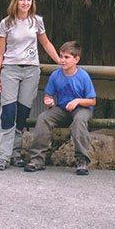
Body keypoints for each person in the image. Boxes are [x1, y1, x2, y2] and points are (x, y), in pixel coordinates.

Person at [0, 0, 60, 171]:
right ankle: (2, 156)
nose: (25, 3)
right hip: (11, 70)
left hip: (31, 70)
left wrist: (59, 61)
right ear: (16, 1)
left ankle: (15, 153)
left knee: (22, 113)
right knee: (7, 112)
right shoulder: (6, 23)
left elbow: (45, 43)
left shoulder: (36, 21)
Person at [25, 40, 97, 176]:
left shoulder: (83, 76)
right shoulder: (55, 75)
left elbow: (92, 101)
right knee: (43, 118)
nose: (62, 60)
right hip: (62, 108)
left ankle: (82, 160)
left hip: (82, 108)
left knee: (79, 121)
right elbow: (48, 94)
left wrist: (77, 101)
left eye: (67, 57)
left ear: (76, 59)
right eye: (61, 56)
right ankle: (37, 159)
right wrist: (48, 100)